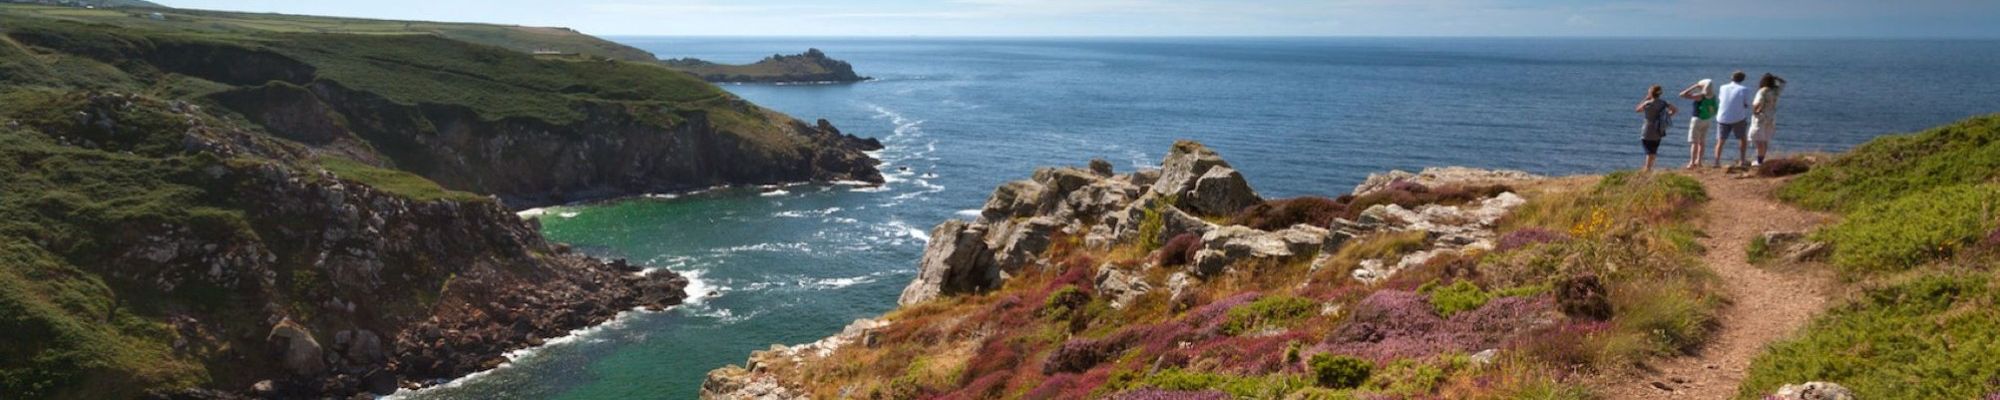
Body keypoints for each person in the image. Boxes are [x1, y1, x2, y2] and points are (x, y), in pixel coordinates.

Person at [1712, 71, 1754, 167]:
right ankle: (1742, 161)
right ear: (1742, 79)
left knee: (1720, 140)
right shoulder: (1744, 89)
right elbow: (1746, 104)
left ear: (1731, 78)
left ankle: (1716, 161)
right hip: (1737, 117)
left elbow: (1721, 99)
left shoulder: (1722, 87)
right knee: (1743, 139)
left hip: (1722, 117)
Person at [1634, 85, 1678, 172]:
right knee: (1653, 150)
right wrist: (1667, 116)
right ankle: (1649, 167)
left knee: (1648, 151)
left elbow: (1637, 109)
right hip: (1658, 129)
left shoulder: (1647, 103)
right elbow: (1675, 110)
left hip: (1647, 129)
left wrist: (1646, 98)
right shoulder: (1664, 103)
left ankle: (1647, 169)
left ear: (1650, 93)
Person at [1678, 79, 1718, 169]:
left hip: (1697, 119)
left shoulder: (1700, 96)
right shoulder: (1713, 96)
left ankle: (1692, 162)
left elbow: (1682, 94)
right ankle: (1699, 161)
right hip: (1707, 119)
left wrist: (1695, 86)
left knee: (1694, 142)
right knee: (1702, 142)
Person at [1748, 73, 1787, 166]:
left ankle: (1759, 161)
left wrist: (1754, 111)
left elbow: (1757, 103)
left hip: (1761, 117)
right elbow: (1783, 83)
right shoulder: (1775, 91)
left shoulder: (1762, 91)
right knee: (1765, 139)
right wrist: (1776, 78)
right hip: (1771, 117)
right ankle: (1761, 160)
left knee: (1758, 139)